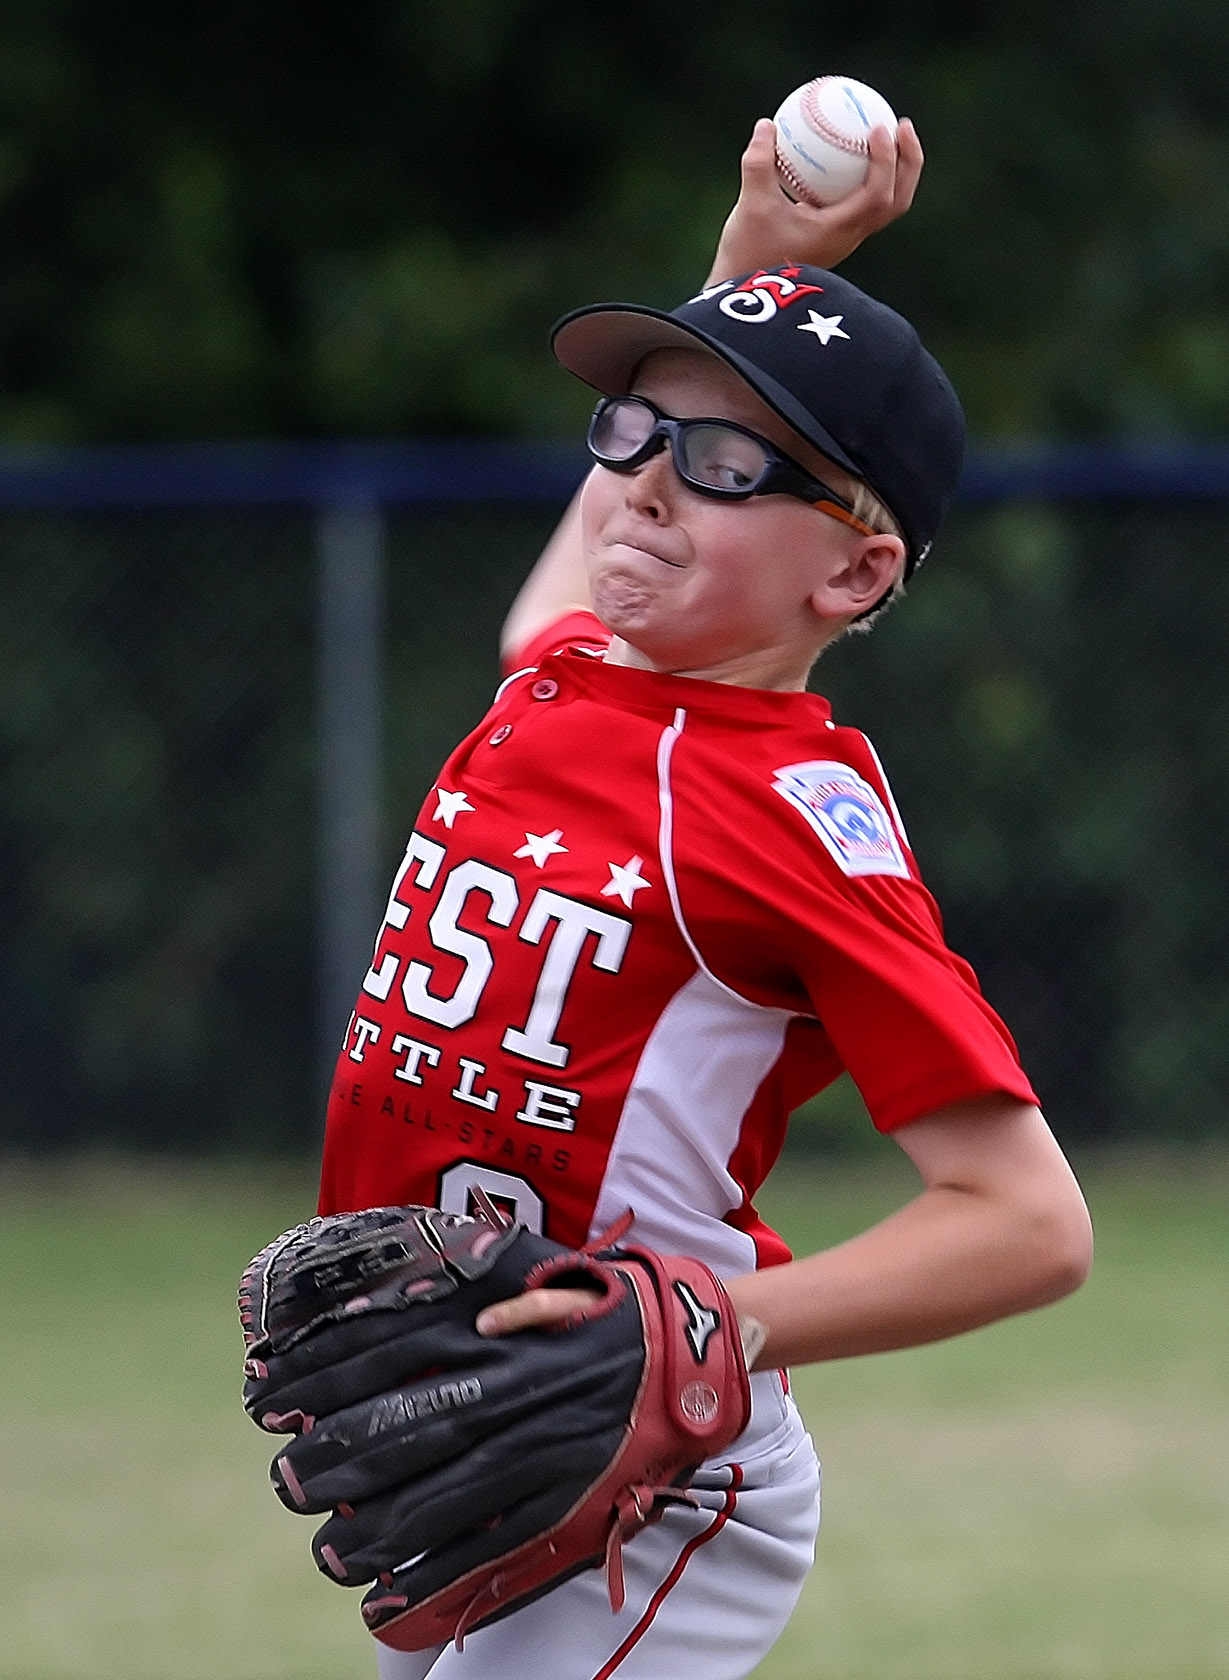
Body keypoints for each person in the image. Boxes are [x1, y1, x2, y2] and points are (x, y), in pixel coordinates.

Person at [317, 117, 1093, 1680]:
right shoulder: (573, 679)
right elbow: (588, 563)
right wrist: (755, 275)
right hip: (472, 1412)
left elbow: (1027, 1226)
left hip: (656, 1468)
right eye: (630, 431)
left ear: (852, 577)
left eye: (727, 463)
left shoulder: (787, 815)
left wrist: (709, 1322)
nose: (651, 486)